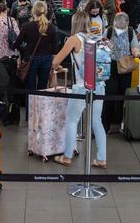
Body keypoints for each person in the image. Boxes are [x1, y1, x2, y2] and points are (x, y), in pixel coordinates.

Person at [51, 11, 107, 168]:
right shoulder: (96, 37)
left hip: (82, 86)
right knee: (97, 121)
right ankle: (101, 158)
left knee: (72, 120)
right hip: (99, 85)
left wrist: (58, 66)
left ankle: (67, 156)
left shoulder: (74, 39)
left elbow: (56, 61)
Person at [103, 12, 140, 133]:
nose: (120, 30)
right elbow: (101, 46)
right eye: (118, 27)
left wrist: (137, 53)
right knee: (110, 94)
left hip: (125, 66)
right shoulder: (108, 31)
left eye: (122, 27)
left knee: (124, 94)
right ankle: (105, 125)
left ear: (127, 24)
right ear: (114, 24)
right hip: (111, 65)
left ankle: (123, 124)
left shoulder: (130, 31)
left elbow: (134, 46)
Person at [13, 1, 58, 91]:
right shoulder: (52, 28)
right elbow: (55, 49)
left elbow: (17, 44)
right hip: (46, 58)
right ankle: (40, 104)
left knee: (30, 86)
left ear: (33, 12)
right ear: (45, 12)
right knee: (43, 86)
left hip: (30, 58)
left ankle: (30, 104)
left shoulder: (26, 26)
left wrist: (25, 47)